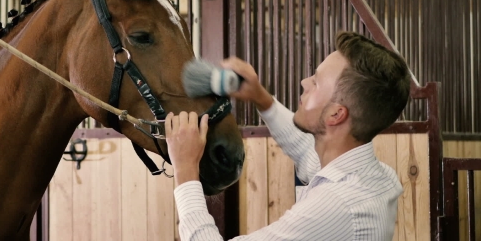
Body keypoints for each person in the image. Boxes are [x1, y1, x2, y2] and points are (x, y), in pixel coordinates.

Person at [165, 31, 411, 241]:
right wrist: (260, 97)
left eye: (316, 82)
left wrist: (186, 170)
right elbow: (306, 151)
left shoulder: (339, 205)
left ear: (336, 114)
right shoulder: (370, 175)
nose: (305, 82)